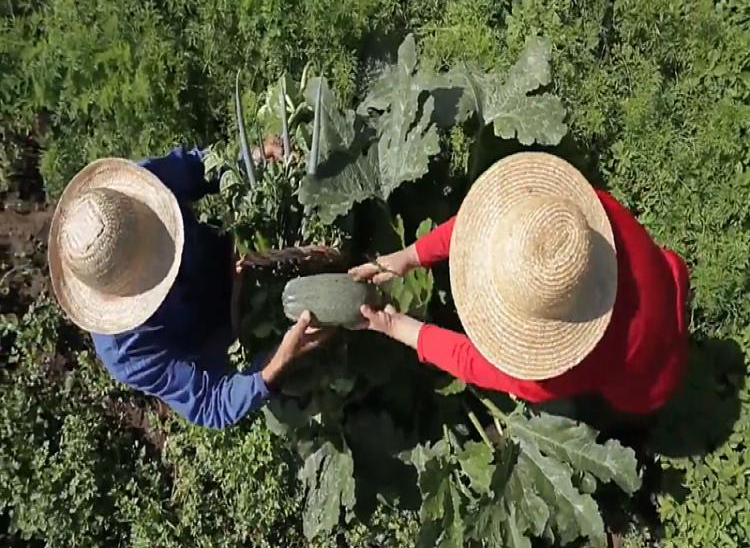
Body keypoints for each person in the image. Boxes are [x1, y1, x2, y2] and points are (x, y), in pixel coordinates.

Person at [349, 152, 690, 417]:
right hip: (663, 278)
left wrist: (394, 325)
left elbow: (470, 360)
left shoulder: (551, 374)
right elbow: (480, 224)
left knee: (628, 396)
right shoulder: (581, 220)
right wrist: (410, 256)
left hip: (649, 371)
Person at [47, 144, 328, 429]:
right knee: (309, 383)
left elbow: (201, 167)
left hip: (240, 255)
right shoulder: (126, 352)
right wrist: (279, 360)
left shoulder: (136, 196)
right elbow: (211, 404)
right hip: (237, 337)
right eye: (154, 278)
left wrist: (250, 160)